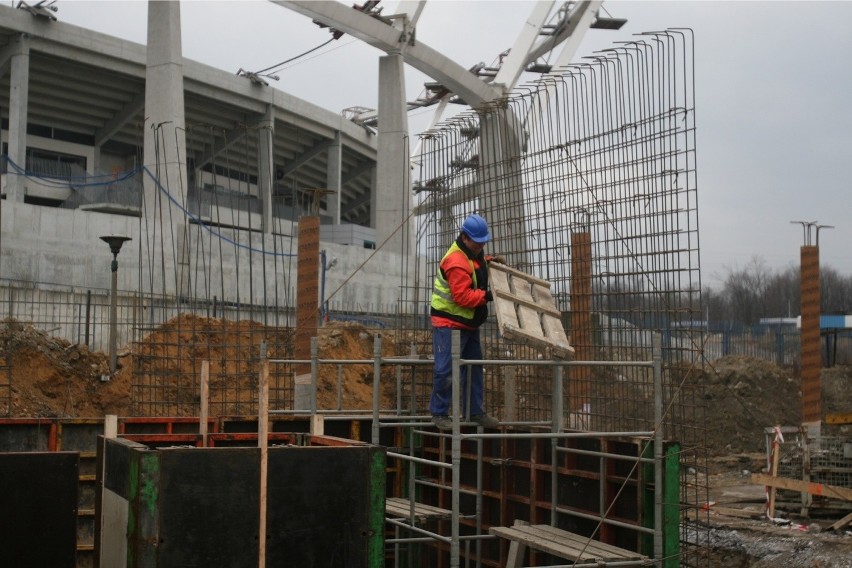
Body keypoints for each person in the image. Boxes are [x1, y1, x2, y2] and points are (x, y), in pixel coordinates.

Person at [429, 213, 501, 430]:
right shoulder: (455, 261)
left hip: (468, 324)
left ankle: (474, 412)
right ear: (466, 238)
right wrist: (488, 296)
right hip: (449, 324)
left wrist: (490, 261)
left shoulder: (471, 253)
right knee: (446, 370)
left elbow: (475, 265)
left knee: (473, 368)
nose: (481, 247)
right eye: (478, 244)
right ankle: (439, 413)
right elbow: (462, 297)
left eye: (483, 244)